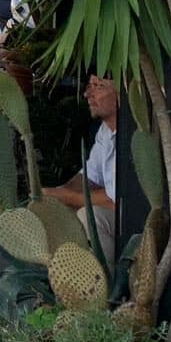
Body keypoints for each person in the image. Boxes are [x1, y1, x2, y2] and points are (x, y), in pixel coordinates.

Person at [44, 74, 118, 257]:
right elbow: (90, 176)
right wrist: (58, 193)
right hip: (115, 212)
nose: (87, 94)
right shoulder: (105, 130)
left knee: (89, 216)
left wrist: (66, 196)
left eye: (97, 86)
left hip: (136, 221)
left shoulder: (130, 134)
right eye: (88, 86)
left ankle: (105, 280)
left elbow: (115, 199)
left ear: (120, 93)